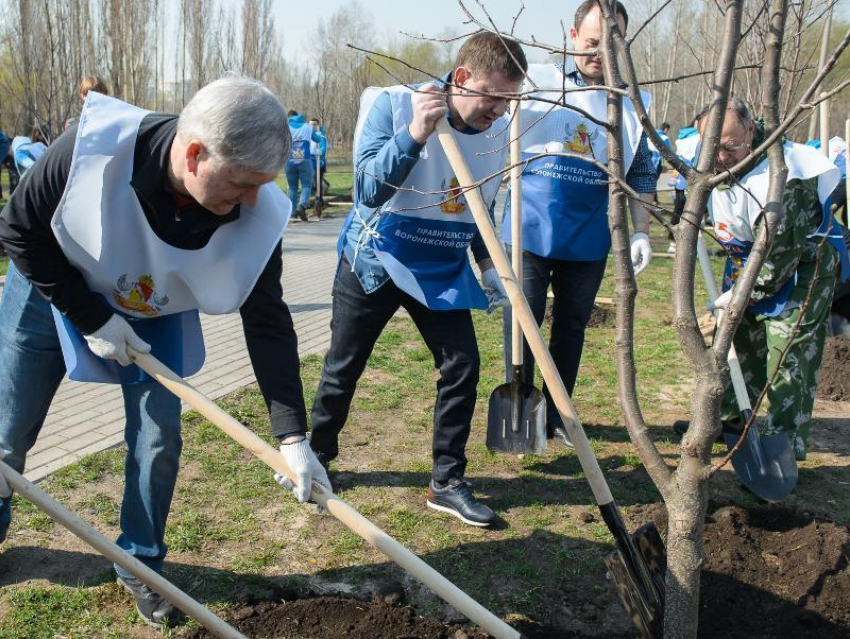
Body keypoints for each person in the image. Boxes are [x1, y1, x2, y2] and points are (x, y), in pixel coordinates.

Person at [0, 77, 330, 629]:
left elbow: (268, 320)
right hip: (51, 286)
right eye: (243, 183)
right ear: (195, 153)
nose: (251, 201)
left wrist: (292, 436)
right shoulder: (90, 151)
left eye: (261, 185)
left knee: (159, 437)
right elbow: (17, 230)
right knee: (9, 429)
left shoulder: (258, 210)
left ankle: (141, 567)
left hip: (155, 301)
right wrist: (91, 315)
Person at [306, 32, 525, 528]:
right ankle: (317, 458)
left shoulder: (497, 132)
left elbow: (479, 204)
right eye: (494, 96)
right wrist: (416, 133)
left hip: (440, 267)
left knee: (463, 364)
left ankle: (446, 481)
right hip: (377, 258)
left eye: (509, 99)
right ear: (462, 78)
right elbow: (366, 188)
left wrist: (490, 266)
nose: (500, 109)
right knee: (344, 367)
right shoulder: (395, 104)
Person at [501, 0, 656, 447]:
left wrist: (641, 229)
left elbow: (641, 170)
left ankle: (557, 415)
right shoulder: (536, 82)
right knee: (521, 322)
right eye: (590, 44)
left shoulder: (631, 101)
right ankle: (521, 412)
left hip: (590, 232)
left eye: (610, 45)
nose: (598, 55)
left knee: (571, 325)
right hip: (528, 226)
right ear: (572, 38)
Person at [695, 97, 848, 461]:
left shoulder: (786, 177)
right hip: (747, 259)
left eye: (730, 146)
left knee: (787, 359)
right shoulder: (713, 153)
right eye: (711, 146)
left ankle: (783, 448)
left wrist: (738, 294)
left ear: (751, 130)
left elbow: (779, 259)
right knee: (737, 341)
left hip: (801, 267)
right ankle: (731, 423)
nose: (720, 156)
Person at [286, 109, 324, 222]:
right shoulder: (307, 127)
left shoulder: (286, 127)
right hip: (304, 160)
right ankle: (302, 207)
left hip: (289, 161)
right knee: (306, 186)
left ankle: (292, 213)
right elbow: (317, 139)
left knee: (292, 187)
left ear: (290, 118)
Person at [309, 117, 330, 208]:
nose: (312, 126)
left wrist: (320, 152)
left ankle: (319, 200)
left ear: (318, 125)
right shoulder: (306, 134)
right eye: (310, 124)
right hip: (308, 162)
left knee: (317, 181)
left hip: (319, 162)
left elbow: (323, 147)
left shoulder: (321, 135)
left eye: (314, 124)